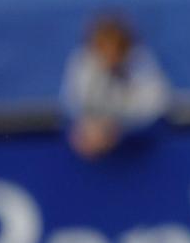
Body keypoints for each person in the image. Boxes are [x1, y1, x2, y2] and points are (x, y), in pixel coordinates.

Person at [62, 13, 170, 159]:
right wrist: (90, 128)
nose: (111, 55)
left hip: (140, 143)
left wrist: (119, 128)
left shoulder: (141, 63)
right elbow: (72, 103)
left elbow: (157, 104)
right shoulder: (82, 64)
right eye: (105, 48)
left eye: (116, 48)